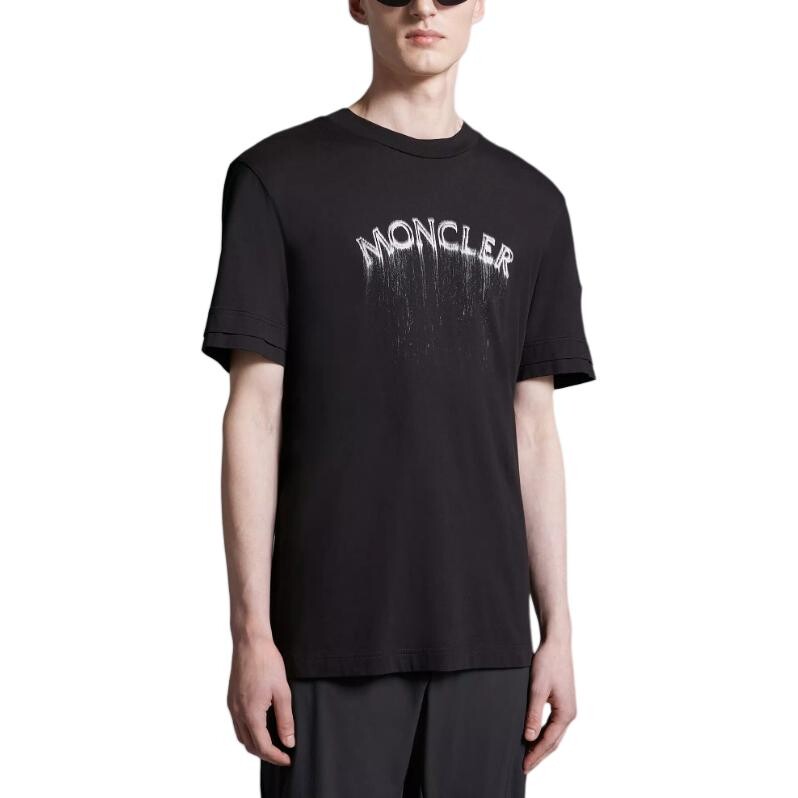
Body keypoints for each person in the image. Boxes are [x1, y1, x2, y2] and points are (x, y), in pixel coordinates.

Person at [201, 1, 595, 795]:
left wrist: (557, 630)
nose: (423, 5)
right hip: (328, 638)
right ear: (358, 4)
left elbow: (533, 431)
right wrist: (252, 634)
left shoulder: (533, 203)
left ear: (479, 6)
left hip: (489, 645)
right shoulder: (277, 179)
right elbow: (255, 414)